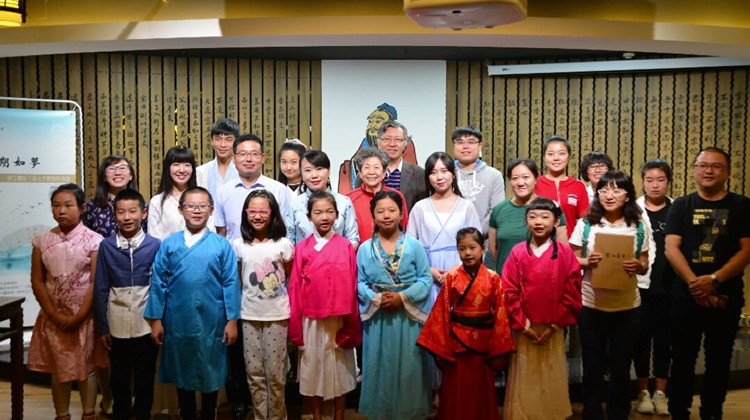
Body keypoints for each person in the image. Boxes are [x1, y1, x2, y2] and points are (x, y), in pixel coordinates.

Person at [664, 147, 750, 420]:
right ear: (695, 170)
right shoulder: (681, 205)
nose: (709, 170)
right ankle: (679, 412)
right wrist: (695, 284)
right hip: (685, 296)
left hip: (726, 295)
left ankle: (712, 413)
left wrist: (714, 279)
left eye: (716, 166)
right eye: (703, 165)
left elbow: (747, 250)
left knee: (719, 360)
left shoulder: (742, 205)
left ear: (728, 172)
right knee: (682, 359)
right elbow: (671, 248)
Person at [144, 186, 240, 420]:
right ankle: (185, 413)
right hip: (177, 319)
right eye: (191, 206)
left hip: (213, 320)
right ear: (181, 209)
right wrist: (156, 320)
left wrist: (232, 321)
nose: (196, 211)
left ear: (211, 210)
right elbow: (158, 282)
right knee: (182, 369)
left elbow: (231, 283)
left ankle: (209, 414)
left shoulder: (221, 245)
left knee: (210, 370)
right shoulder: (169, 244)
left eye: (202, 206)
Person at [569, 170, 651, 420]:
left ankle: (619, 413)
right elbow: (572, 258)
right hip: (591, 305)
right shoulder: (586, 224)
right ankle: (592, 413)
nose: (609, 195)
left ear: (628, 195)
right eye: (604, 190)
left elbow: (645, 262)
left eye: (616, 190)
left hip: (627, 307)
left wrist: (638, 266)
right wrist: (586, 261)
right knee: (592, 366)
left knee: (621, 367)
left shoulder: (638, 226)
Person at [417, 227, 514, 420]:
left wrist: (498, 342)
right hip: (457, 340)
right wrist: (443, 340)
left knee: (480, 385)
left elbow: (500, 313)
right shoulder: (452, 277)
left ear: (483, 248)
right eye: (462, 249)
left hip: (483, 341)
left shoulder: (493, 278)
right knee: (457, 385)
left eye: (472, 247)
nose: (467, 253)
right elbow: (441, 311)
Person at [501, 197, 582, 420]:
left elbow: (573, 291)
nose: (538, 222)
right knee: (524, 374)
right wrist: (524, 324)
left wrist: (554, 326)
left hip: (553, 328)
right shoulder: (517, 252)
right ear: (526, 221)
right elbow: (509, 290)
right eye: (533, 216)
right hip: (524, 328)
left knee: (551, 373)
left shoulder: (565, 253)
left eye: (545, 217)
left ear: (556, 221)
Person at [28, 183, 103, 420]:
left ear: (82, 208)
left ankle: (88, 413)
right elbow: (38, 280)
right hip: (53, 317)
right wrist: (53, 314)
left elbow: (95, 282)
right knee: (58, 368)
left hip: (84, 316)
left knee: (86, 367)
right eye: (56, 205)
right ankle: (62, 415)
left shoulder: (95, 240)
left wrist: (80, 315)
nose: (61, 211)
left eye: (68, 205)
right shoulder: (41, 241)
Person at [356, 190, 432, 420]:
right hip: (378, 315)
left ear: (401, 214)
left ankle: (410, 413)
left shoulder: (414, 246)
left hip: (407, 316)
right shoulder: (365, 248)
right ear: (373, 216)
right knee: (378, 364)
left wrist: (402, 298)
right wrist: (375, 298)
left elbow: (425, 279)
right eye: (380, 211)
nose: (386, 215)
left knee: (410, 364)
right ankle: (380, 412)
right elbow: (360, 282)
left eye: (392, 210)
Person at [288, 191, 362, 420]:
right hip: (311, 318)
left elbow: (353, 283)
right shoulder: (302, 247)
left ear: (337, 215)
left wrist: (351, 323)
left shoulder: (346, 246)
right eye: (318, 212)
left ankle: (339, 416)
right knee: (313, 369)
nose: (324, 217)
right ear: (309, 217)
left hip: (339, 318)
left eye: (330, 212)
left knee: (339, 370)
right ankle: (317, 415)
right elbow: (295, 286)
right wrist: (296, 327)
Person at [93, 189, 160, 420]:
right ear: (114, 215)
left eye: (133, 211)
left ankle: (142, 414)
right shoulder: (107, 246)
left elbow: (160, 287)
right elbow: (101, 288)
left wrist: (159, 321)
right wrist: (102, 327)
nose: (127, 217)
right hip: (117, 324)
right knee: (119, 379)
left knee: (145, 377)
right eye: (121, 212)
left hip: (146, 323)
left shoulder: (155, 245)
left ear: (143, 213)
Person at [231, 190, 294, 420]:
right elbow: (239, 280)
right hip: (249, 315)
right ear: (246, 213)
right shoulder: (239, 245)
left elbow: (290, 278)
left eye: (263, 211)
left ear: (272, 213)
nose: (257, 216)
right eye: (252, 211)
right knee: (254, 373)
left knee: (276, 374)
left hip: (277, 315)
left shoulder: (283, 244)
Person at [407, 152, 481, 305]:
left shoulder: (466, 206)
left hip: (461, 271)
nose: (439, 177)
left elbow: (476, 245)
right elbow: (409, 247)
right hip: (427, 274)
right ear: (428, 177)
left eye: (444, 171)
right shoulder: (420, 207)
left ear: (453, 174)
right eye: (433, 172)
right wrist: (428, 269)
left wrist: (457, 269)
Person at [633, 159, 674, 415]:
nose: (655, 185)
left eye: (660, 180)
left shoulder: (677, 208)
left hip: (670, 286)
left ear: (668, 181)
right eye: (649, 180)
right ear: (643, 182)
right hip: (641, 286)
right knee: (640, 341)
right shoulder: (633, 210)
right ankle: (642, 393)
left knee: (664, 342)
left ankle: (660, 393)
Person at [489, 158, 567, 273]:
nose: (520, 183)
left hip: (542, 277)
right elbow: (493, 249)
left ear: (536, 179)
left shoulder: (551, 208)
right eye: (515, 178)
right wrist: (510, 268)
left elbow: (563, 249)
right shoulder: (499, 210)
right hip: (507, 277)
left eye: (526, 177)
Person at [215, 134, 292, 240]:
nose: (248, 159)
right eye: (243, 154)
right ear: (233, 158)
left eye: (254, 154)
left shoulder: (279, 190)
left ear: (263, 158)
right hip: (233, 250)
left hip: (271, 250)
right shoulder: (223, 191)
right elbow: (221, 233)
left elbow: (286, 229)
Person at [451, 126, 504, 269]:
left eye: (471, 142)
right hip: (450, 244)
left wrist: (474, 237)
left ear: (480, 146)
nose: (465, 146)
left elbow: (495, 211)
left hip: (483, 245)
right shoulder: (446, 174)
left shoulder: (494, 175)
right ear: (454, 146)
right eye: (460, 142)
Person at [283, 149, 359, 248]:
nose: (314, 175)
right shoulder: (294, 204)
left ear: (329, 171)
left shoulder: (344, 202)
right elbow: (289, 242)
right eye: (308, 170)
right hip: (304, 258)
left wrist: (336, 254)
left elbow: (353, 239)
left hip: (338, 257)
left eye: (319, 169)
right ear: (301, 174)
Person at [148, 145, 213, 239]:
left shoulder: (203, 199)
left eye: (187, 165)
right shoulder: (157, 202)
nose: (182, 170)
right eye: (176, 164)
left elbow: (211, 233)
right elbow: (155, 239)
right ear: (168, 168)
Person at [347, 147, 409, 243]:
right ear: (360, 173)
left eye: (376, 167)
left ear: (384, 172)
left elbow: (404, 229)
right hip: (360, 252)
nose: (371, 172)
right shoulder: (349, 200)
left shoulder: (396, 197)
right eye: (367, 167)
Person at [535, 135, 589, 238]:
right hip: (540, 243)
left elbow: (584, 221)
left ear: (569, 156)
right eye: (550, 154)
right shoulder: (535, 184)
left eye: (561, 153)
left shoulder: (579, 186)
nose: (556, 158)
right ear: (544, 157)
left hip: (570, 244)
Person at [83, 154, 146, 238]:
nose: (117, 173)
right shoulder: (91, 207)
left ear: (131, 176)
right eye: (112, 168)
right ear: (104, 176)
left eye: (122, 168)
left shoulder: (142, 206)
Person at [375, 121, 427, 212]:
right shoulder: (367, 174)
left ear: (405, 145)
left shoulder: (419, 174)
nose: (392, 144)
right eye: (387, 139)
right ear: (379, 143)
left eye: (398, 139)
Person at [196, 118, 241, 199]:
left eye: (228, 139)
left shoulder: (244, 171)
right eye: (218, 139)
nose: (222, 145)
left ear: (236, 142)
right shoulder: (201, 172)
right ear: (211, 141)